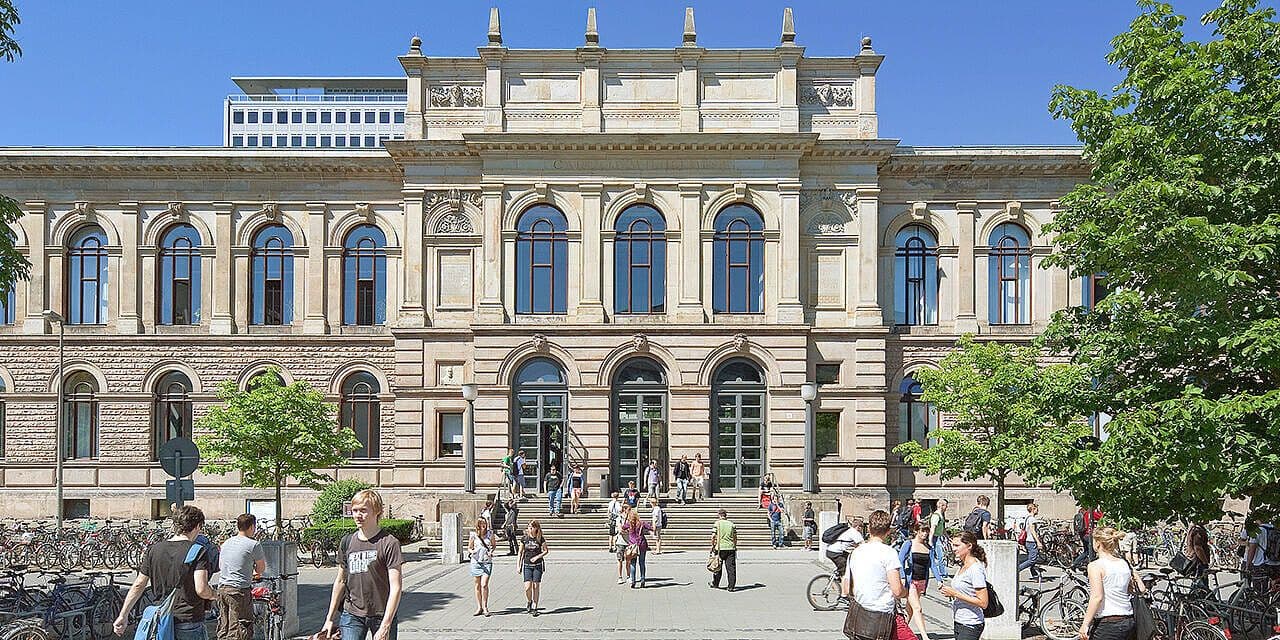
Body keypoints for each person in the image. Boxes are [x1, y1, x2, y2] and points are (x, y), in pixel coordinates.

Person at [113, 505, 216, 640]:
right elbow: (201, 589)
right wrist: (214, 594)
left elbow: (139, 584)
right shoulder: (198, 551)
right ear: (197, 526)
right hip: (188, 620)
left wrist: (123, 615)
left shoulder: (154, 549)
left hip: (160, 619)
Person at [319, 489, 403, 640]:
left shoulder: (389, 543)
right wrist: (329, 619)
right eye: (355, 510)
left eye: (363, 510)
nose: (358, 515)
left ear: (377, 511)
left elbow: (396, 587)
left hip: (382, 614)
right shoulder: (347, 542)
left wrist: (386, 625)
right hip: (352, 614)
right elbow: (340, 581)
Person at [842, 509, 907, 640]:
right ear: (888, 531)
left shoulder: (856, 552)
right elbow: (897, 590)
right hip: (881, 615)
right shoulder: (889, 553)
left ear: (869, 528)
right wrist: (906, 591)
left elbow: (846, 588)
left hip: (859, 614)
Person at [1078, 527, 1147, 640]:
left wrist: (1085, 624)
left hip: (1108, 624)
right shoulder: (1124, 563)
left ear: (1098, 543)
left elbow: (1097, 597)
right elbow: (1141, 588)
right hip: (1128, 620)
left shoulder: (1095, 566)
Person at [216, 513, 266, 640]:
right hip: (239, 591)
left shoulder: (226, 543)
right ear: (251, 527)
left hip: (222, 589)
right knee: (240, 628)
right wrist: (254, 572)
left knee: (224, 626)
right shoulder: (253, 544)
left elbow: (222, 566)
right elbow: (261, 568)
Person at [941, 531, 990, 640]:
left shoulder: (975, 569)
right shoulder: (963, 565)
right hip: (959, 621)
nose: (953, 549)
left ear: (969, 546)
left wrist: (955, 594)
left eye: (957, 545)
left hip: (971, 624)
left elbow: (983, 602)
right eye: (953, 545)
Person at [904, 522, 934, 640]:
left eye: (926, 531)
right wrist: (902, 577)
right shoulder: (909, 544)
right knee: (917, 608)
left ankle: (899, 630)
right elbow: (900, 560)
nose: (925, 534)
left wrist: (940, 580)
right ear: (917, 531)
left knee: (910, 609)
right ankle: (924, 636)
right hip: (911, 581)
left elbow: (932, 566)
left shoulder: (928, 547)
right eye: (922, 531)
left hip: (921, 581)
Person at [825, 517, 864, 599]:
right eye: (861, 528)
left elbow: (855, 544)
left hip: (831, 551)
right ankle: (844, 595)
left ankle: (839, 575)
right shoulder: (855, 533)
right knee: (845, 573)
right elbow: (863, 545)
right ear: (858, 527)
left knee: (850, 558)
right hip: (835, 553)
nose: (861, 530)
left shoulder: (848, 530)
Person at [517, 520, 549, 615]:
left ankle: (535, 606)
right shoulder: (524, 539)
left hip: (537, 566)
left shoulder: (540, 539)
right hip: (527, 565)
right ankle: (529, 601)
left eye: (532, 527)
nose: (530, 529)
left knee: (536, 586)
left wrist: (537, 557)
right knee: (527, 587)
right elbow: (520, 552)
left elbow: (546, 551)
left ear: (536, 528)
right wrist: (518, 565)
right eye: (529, 527)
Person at [468, 518, 495, 616]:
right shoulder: (473, 535)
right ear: (478, 525)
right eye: (481, 523)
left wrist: (491, 552)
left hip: (487, 562)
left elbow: (493, 545)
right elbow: (469, 548)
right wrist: (473, 552)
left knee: (484, 584)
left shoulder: (490, 534)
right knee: (477, 585)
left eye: (485, 523)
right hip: (476, 562)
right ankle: (479, 607)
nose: (484, 525)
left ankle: (485, 607)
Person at [622, 507, 653, 588]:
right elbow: (651, 528)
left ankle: (633, 581)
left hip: (633, 546)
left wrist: (625, 518)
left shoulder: (629, 524)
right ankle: (643, 579)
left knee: (633, 563)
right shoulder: (642, 523)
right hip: (642, 544)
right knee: (642, 563)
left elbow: (623, 527)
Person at [709, 508, 738, 592]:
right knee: (731, 568)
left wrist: (712, 545)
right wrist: (735, 545)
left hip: (719, 548)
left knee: (717, 567)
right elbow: (735, 537)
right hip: (730, 548)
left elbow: (713, 536)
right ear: (726, 515)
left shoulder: (717, 523)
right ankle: (731, 586)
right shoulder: (732, 524)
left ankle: (715, 583)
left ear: (719, 515)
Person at [1019, 502, 1044, 579]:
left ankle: (1034, 574)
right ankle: (1018, 569)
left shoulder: (1027, 518)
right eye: (1037, 509)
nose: (1038, 511)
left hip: (1028, 541)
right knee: (1032, 560)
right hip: (1031, 541)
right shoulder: (1032, 519)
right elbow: (1033, 531)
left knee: (1033, 557)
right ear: (1033, 509)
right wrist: (1038, 542)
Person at [928, 499, 950, 585]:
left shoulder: (940, 515)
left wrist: (947, 537)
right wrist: (930, 540)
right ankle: (942, 573)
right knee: (940, 555)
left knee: (935, 556)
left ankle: (941, 572)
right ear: (941, 505)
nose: (947, 508)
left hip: (938, 537)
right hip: (935, 538)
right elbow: (932, 528)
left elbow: (943, 529)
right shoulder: (936, 516)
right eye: (946, 506)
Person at [1073, 505, 1101, 569]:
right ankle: (1092, 566)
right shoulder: (1091, 512)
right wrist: (1099, 511)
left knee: (1086, 551)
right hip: (1088, 534)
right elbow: (1100, 517)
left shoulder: (1081, 511)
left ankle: (1076, 563)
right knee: (1092, 550)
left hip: (1082, 534)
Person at [614, 504, 631, 584]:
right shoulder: (619, 518)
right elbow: (620, 530)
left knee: (628, 560)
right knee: (620, 560)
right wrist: (626, 531)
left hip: (629, 542)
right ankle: (620, 577)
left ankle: (628, 576)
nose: (630, 511)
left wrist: (627, 531)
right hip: (620, 542)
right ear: (625, 509)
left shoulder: (630, 519)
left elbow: (633, 529)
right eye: (629, 509)